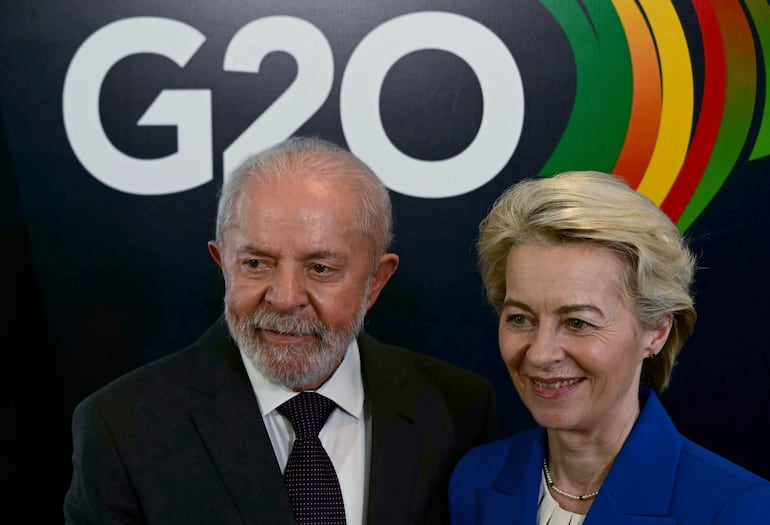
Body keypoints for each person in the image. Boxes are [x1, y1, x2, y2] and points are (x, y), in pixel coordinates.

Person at [64, 136, 498, 525]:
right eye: (256, 263)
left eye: (320, 268)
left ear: (375, 282)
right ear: (223, 264)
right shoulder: (121, 426)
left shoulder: (457, 411)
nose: (285, 297)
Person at [449, 171, 770, 524]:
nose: (541, 354)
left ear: (657, 331)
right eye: (520, 319)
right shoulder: (475, 480)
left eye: (577, 323)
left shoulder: (735, 509)